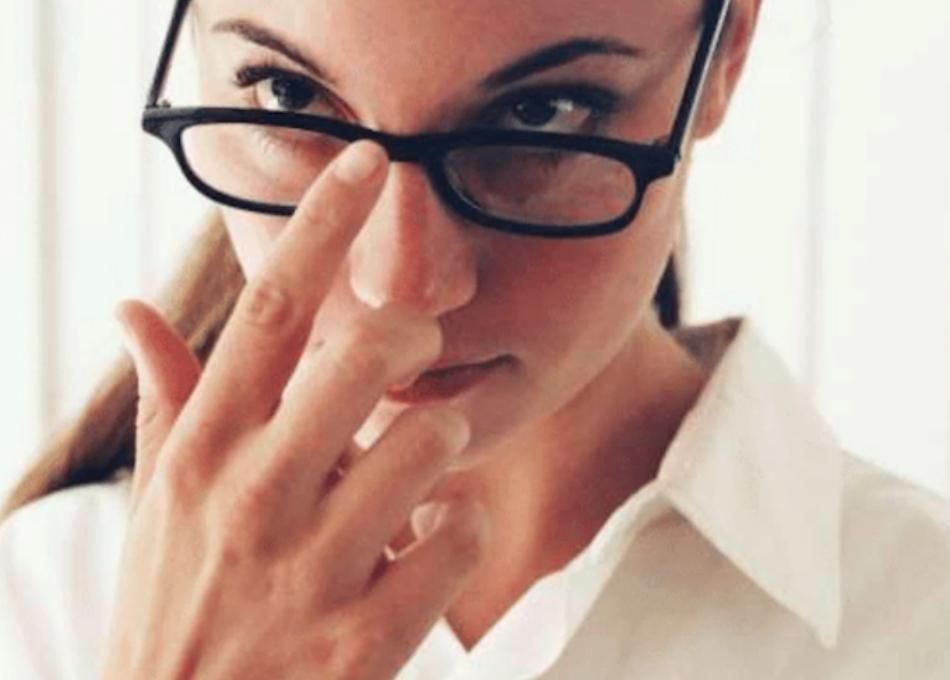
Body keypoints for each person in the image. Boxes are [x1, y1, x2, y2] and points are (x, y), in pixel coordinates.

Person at [2, 0, 949, 678]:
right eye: (291, 97)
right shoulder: (40, 606)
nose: (402, 285)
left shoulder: (919, 617)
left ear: (726, 53)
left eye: (544, 115)